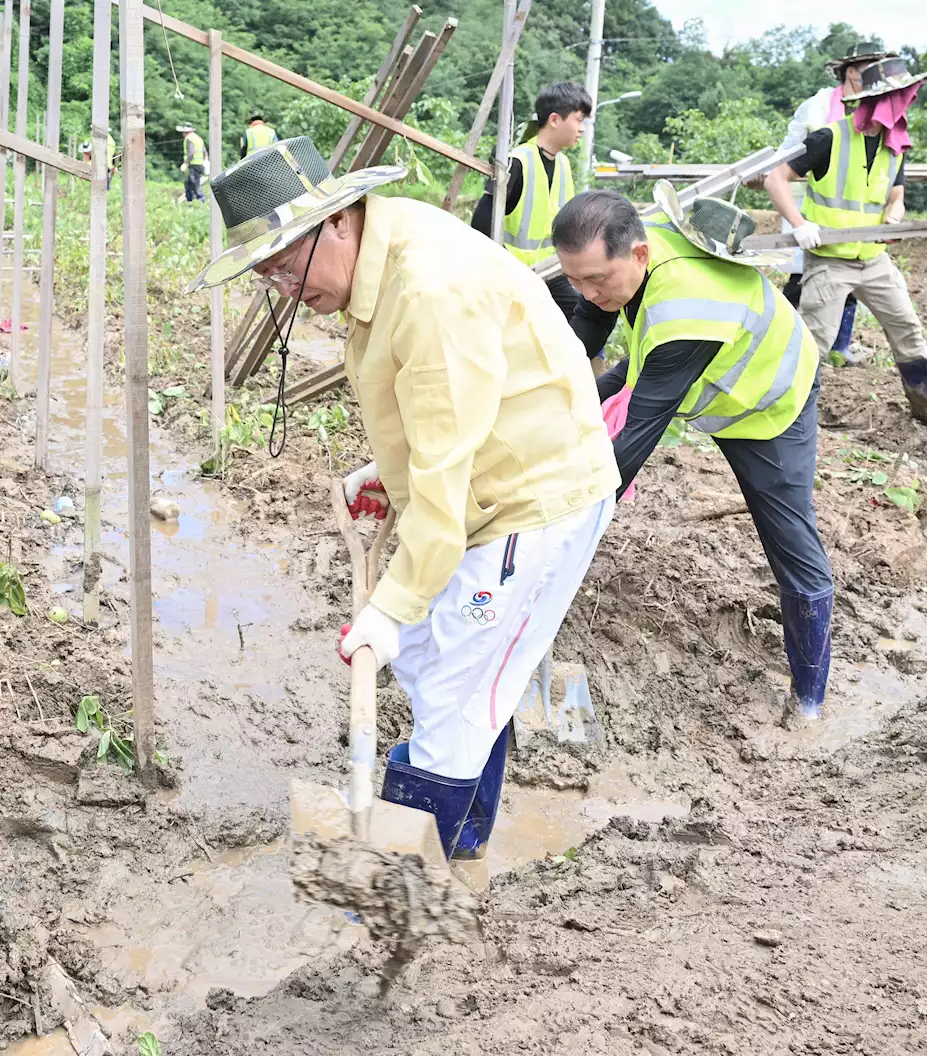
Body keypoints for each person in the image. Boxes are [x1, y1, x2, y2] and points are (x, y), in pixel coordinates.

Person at [185, 137, 618, 864]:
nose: (283, 286)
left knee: (452, 695)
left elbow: (447, 469)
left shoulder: (428, 287)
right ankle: (463, 839)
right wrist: (387, 474)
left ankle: (402, 900)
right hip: (486, 479)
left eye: (286, 263)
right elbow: (447, 411)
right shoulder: (381, 266)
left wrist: (386, 608)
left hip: (530, 500)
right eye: (267, 274)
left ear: (339, 220)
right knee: (432, 665)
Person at [556, 187, 833, 722]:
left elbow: (631, 448)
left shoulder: (684, 312)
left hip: (767, 401)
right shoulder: (632, 259)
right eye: (574, 279)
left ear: (637, 255)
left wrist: (556, 524)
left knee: (790, 542)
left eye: (596, 279)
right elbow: (581, 344)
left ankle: (809, 700)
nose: (586, 293)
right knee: (590, 397)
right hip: (693, 368)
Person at [764, 56, 927, 428]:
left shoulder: (895, 144)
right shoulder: (830, 137)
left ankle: (926, 406)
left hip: (874, 260)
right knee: (815, 341)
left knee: (906, 326)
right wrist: (799, 223)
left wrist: (895, 214)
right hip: (830, 260)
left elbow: (896, 195)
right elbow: (776, 179)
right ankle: (786, 412)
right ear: (877, 101)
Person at [767, 42, 895, 364]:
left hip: (855, 218)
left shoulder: (881, 107)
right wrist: (798, 220)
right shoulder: (819, 107)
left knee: (849, 283)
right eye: (869, 67)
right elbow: (791, 155)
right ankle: (780, 339)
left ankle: (840, 345)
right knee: (806, 281)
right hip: (812, 204)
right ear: (851, 71)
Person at [471, 82, 600, 366]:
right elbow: (480, 223)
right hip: (516, 274)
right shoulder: (517, 162)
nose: (582, 129)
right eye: (579, 120)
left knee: (589, 313)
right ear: (555, 119)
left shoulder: (564, 165)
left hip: (553, 272)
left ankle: (574, 378)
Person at [177, 123, 208, 202]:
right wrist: (205, 160)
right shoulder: (198, 138)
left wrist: (186, 163)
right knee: (189, 183)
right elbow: (204, 151)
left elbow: (191, 152)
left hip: (193, 165)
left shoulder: (189, 139)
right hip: (199, 164)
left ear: (185, 132)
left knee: (194, 183)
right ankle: (190, 200)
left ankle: (201, 199)